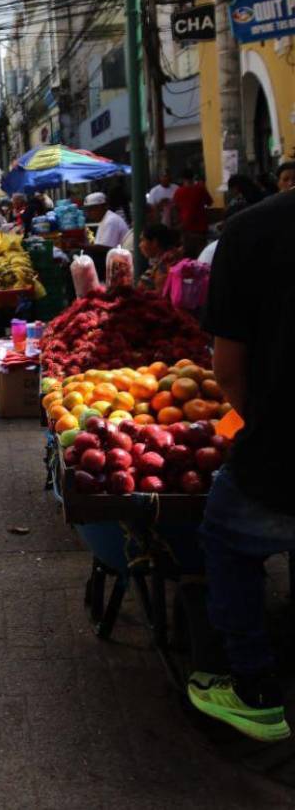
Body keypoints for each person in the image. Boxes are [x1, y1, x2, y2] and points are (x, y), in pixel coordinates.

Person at [189, 187, 295, 743]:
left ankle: (254, 689)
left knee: (226, 535)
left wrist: (270, 425)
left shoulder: (252, 231)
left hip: (282, 455)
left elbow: (227, 370)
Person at [172, 168, 213, 257]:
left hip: (186, 228)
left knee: (188, 255)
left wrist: (178, 223)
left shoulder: (179, 192)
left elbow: (175, 208)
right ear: (193, 177)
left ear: (182, 179)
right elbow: (209, 202)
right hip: (201, 228)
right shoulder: (200, 189)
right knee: (202, 254)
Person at [135, 223, 183, 293]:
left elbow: (161, 294)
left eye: (143, 240)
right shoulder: (161, 261)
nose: (140, 245)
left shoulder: (167, 262)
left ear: (155, 242)